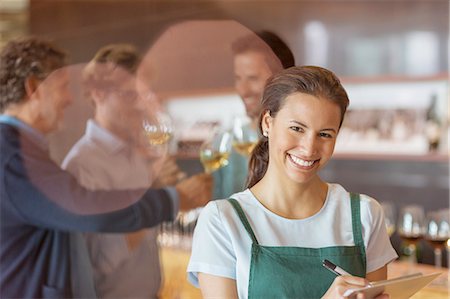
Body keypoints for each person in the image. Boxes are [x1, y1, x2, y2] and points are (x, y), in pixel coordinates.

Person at [0, 37, 209, 298]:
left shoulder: (24, 151)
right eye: (63, 87)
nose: (69, 99)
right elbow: (87, 212)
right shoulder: (14, 157)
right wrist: (175, 199)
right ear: (33, 88)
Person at [188, 66, 398, 298]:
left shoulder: (364, 215)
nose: (309, 148)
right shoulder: (222, 221)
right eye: (297, 128)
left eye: (325, 134)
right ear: (268, 123)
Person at [62, 43, 211, 298]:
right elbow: (100, 260)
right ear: (97, 93)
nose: (142, 106)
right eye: (130, 95)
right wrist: (165, 202)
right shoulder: (81, 167)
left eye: (144, 94)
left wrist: (162, 196)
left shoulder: (134, 156)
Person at [213, 31, 295, 199]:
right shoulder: (224, 143)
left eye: (252, 78)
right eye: (238, 78)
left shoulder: (300, 143)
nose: (243, 90)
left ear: (283, 79)